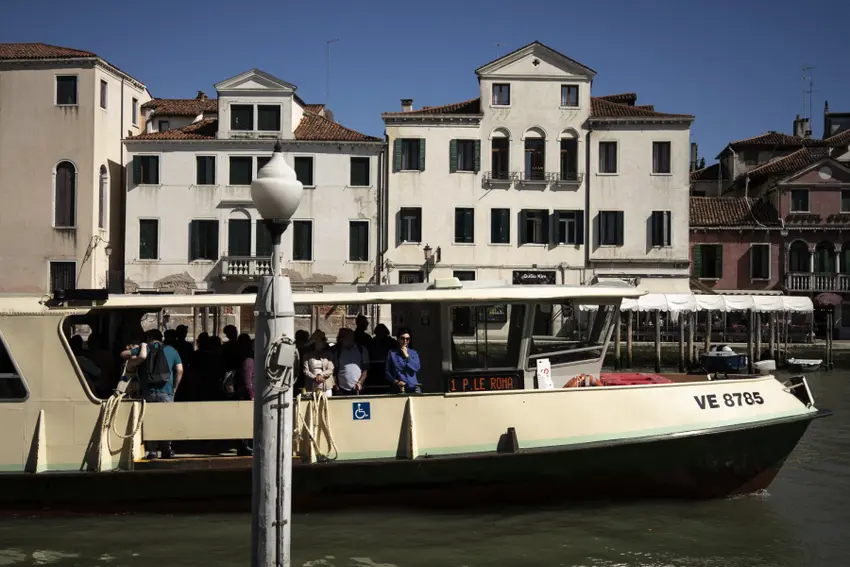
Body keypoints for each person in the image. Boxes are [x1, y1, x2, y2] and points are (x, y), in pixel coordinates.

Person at [121, 329, 183, 459]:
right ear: (161, 338)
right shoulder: (172, 350)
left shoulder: (144, 348)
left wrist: (140, 348)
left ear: (149, 338)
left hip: (147, 391)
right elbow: (179, 369)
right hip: (166, 391)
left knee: (149, 420)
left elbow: (123, 354)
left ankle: (152, 451)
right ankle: (166, 449)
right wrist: (174, 388)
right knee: (166, 421)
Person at [332, 328, 369, 395]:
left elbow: (365, 370)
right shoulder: (338, 352)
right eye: (341, 337)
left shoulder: (361, 349)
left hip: (358, 388)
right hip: (342, 389)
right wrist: (336, 385)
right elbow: (334, 371)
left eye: (344, 337)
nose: (341, 339)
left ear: (351, 338)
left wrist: (360, 382)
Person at [235, 333, 255, 456]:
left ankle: (249, 446)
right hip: (248, 397)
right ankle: (245, 447)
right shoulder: (249, 361)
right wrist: (252, 396)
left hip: (253, 397)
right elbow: (247, 380)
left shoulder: (256, 361)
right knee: (246, 422)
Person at [385, 328, 421, 394]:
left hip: (413, 388)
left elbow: (417, 367)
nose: (405, 341)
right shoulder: (392, 353)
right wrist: (396, 382)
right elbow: (387, 371)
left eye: (407, 339)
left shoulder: (413, 353)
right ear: (398, 339)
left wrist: (407, 356)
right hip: (398, 388)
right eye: (402, 338)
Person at [302, 330, 335, 396]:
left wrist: (320, 375)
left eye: (323, 340)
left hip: (326, 385)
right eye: (321, 340)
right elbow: (305, 370)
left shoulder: (328, 354)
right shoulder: (307, 355)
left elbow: (330, 369)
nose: (323, 342)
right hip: (311, 385)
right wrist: (315, 378)